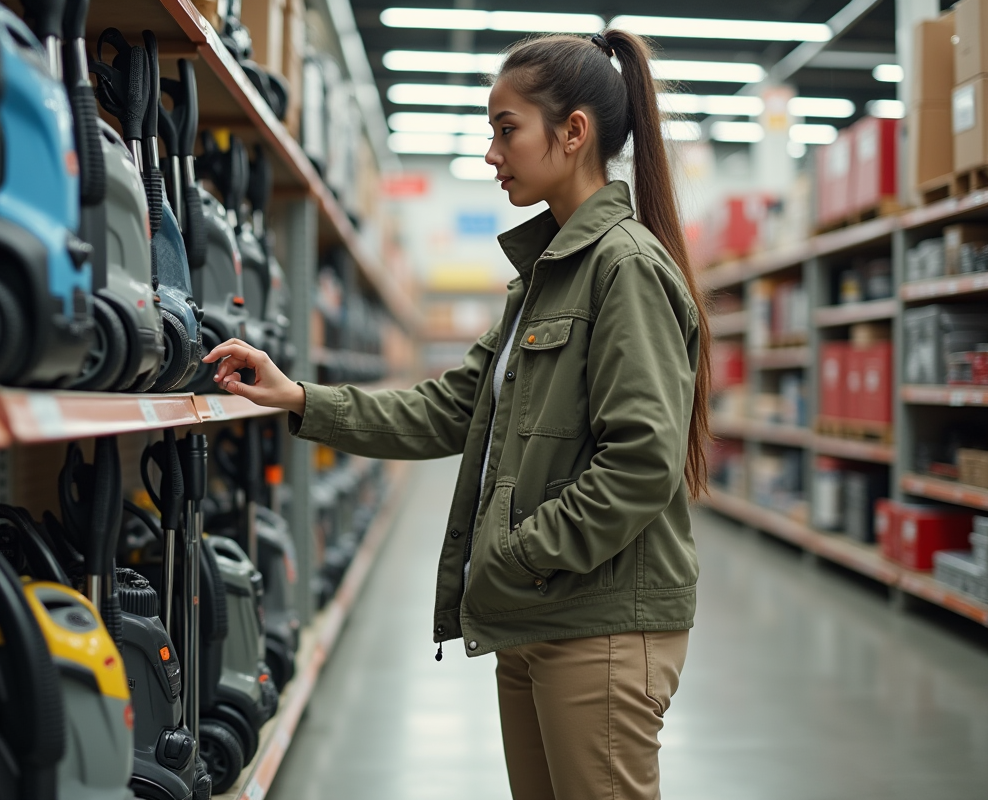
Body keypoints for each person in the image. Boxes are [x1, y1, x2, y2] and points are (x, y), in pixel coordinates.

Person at [202, 29, 711, 800]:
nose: (491, 153)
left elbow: (641, 465)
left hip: (599, 624)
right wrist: (301, 397)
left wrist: (516, 553)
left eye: (506, 130)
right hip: (537, 616)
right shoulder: (545, 277)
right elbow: (448, 409)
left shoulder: (624, 268)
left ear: (573, 133)